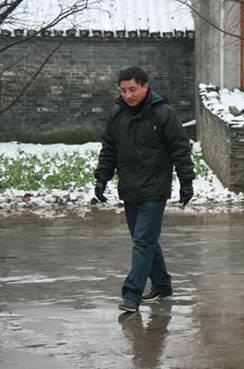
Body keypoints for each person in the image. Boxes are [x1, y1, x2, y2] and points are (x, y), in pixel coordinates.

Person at [94, 67, 195, 312]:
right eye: (123, 90)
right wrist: (102, 179)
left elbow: (180, 148)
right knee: (146, 241)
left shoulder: (163, 113)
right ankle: (162, 285)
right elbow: (109, 150)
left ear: (145, 86)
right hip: (129, 188)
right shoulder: (118, 116)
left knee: (142, 242)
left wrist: (186, 181)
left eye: (133, 89)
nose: (128, 95)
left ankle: (132, 294)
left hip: (155, 188)